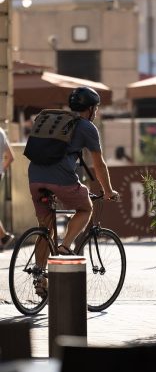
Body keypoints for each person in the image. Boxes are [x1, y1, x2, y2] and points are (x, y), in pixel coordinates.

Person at [28, 86, 120, 296]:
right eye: (95, 108)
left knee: (46, 227)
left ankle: (39, 275)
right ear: (90, 109)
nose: (95, 112)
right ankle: (65, 246)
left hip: (34, 176)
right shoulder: (86, 127)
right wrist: (108, 191)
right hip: (61, 179)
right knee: (85, 207)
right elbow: (99, 164)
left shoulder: (54, 121)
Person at [0, 127, 15, 250]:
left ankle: (3, 236)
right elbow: (10, 157)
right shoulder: (1, 131)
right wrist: (1, 170)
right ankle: (3, 237)